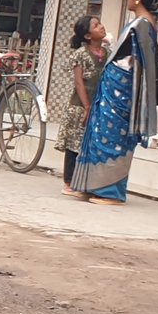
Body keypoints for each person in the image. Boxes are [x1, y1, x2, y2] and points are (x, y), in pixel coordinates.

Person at [72, 0, 158, 206]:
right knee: (100, 134)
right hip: (113, 89)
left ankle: (110, 192)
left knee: (114, 139)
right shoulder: (139, 23)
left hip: (121, 91)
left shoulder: (142, 25)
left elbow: (139, 63)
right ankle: (93, 186)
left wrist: (117, 73)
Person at [55, 15, 106, 198]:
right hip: (80, 105)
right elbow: (79, 83)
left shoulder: (106, 53)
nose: (101, 27)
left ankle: (85, 181)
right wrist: (86, 106)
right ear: (87, 35)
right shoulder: (80, 55)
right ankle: (69, 181)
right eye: (96, 25)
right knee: (74, 144)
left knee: (91, 144)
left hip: (99, 105)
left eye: (100, 23)